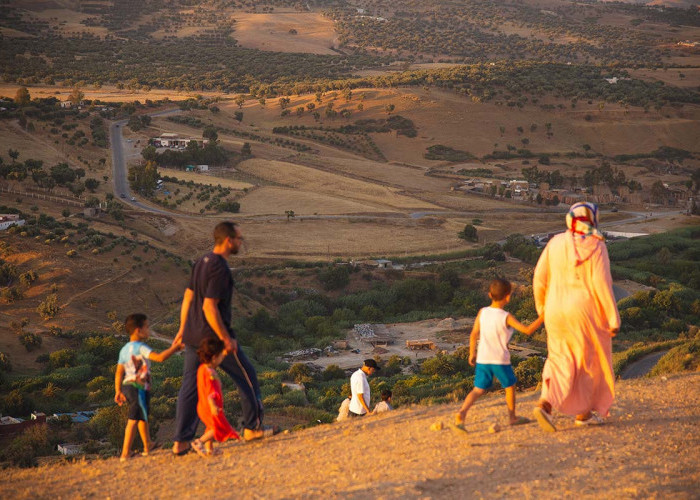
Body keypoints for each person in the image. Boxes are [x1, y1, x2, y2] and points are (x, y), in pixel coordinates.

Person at [172, 222, 268, 456]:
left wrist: (182, 329)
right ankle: (252, 428)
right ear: (228, 240)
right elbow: (209, 307)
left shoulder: (201, 261)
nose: (240, 242)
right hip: (212, 339)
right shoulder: (220, 268)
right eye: (239, 238)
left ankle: (181, 442)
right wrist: (226, 338)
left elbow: (188, 297)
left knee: (190, 387)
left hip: (194, 335)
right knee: (246, 375)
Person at [532, 202, 620, 432]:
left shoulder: (555, 242)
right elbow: (602, 283)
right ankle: (584, 413)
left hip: (555, 310)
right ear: (593, 219)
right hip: (585, 312)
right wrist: (613, 317)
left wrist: (542, 307)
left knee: (558, 357)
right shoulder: (597, 245)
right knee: (588, 363)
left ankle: (546, 404)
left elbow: (539, 277)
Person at [454, 279, 544, 430]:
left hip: (483, 358)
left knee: (478, 389)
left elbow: (473, 334)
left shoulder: (482, 312)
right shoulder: (506, 316)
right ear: (508, 297)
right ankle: (512, 417)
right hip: (500, 359)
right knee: (510, 386)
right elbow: (527, 330)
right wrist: (542, 316)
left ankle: (461, 413)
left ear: (489, 295)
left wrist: (471, 353)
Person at [114, 313, 182, 462]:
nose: (149, 330)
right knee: (133, 419)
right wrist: (174, 348)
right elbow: (159, 358)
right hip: (137, 387)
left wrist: (118, 391)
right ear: (138, 330)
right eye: (147, 327)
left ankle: (148, 445)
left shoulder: (125, 349)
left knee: (142, 416)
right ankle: (126, 453)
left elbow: (119, 372)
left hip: (128, 386)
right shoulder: (141, 347)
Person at [192, 337, 240, 457]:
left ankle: (210, 450)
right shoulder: (211, 374)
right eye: (221, 356)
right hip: (211, 406)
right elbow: (211, 392)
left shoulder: (202, 368)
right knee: (218, 428)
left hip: (202, 406)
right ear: (214, 358)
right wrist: (213, 406)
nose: (222, 358)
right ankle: (199, 442)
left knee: (210, 427)